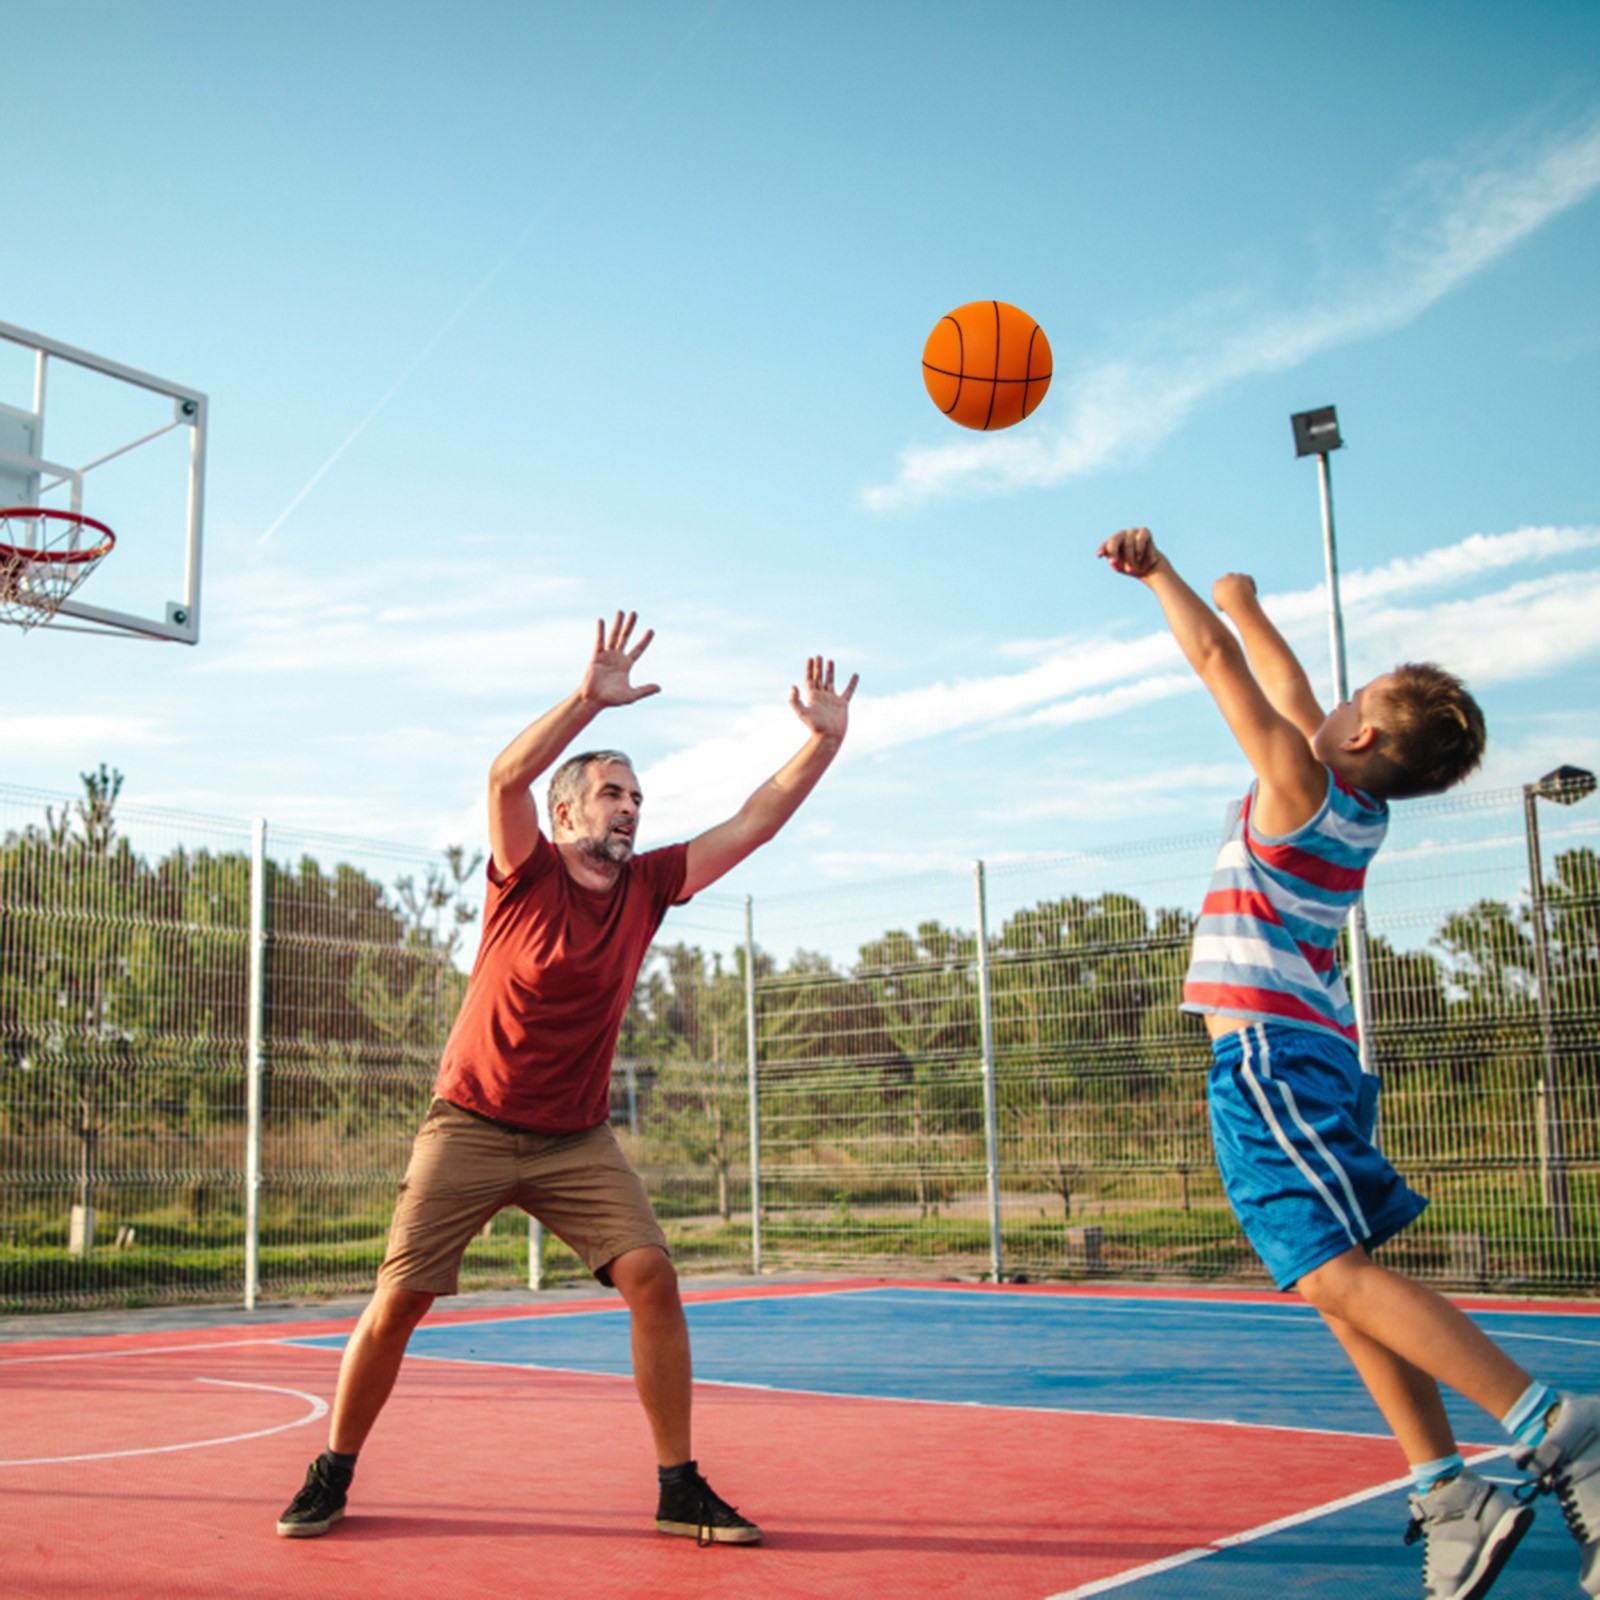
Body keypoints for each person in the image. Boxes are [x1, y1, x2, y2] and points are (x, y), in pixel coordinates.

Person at [276, 611, 857, 1548]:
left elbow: (754, 820)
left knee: (653, 1277)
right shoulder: (525, 873)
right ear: (568, 812)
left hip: (574, 1138)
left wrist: (819, 745)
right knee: (401, 1302)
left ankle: (678, 1488)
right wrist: (587, 699)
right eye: (613, 793)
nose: (631, 808)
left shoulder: (651, 887)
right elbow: (503, 775)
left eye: (638, 796)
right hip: (467, 1122)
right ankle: (330, 1470)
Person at [1098, 527, 1600, 1600]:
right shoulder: (1349, 804)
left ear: (1357, 728)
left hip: (1267, 1062)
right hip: (1309, 1057)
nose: (1321, 701)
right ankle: (1446, 1484)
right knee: (1342, 1288)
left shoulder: (1293, 788)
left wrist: (1166, 580)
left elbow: (1224, 672)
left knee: (1332, 1274)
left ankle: (1556, 1423)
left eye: (1346, 699)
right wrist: (1248, 600)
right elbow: (1280, 678)